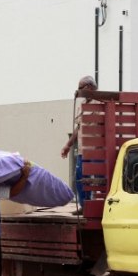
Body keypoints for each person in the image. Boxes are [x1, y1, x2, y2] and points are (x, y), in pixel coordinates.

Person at [60, 75, 98, 211]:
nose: (78, 91)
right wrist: (68, 145)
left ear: (88, 87)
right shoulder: (81, 106)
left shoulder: (100, 103)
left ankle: (99, 206)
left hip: (98, 150)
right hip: (83, 151)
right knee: (80, 177)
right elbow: (78, 128)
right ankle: (85, 206)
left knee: (100, 179)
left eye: (80, 88)